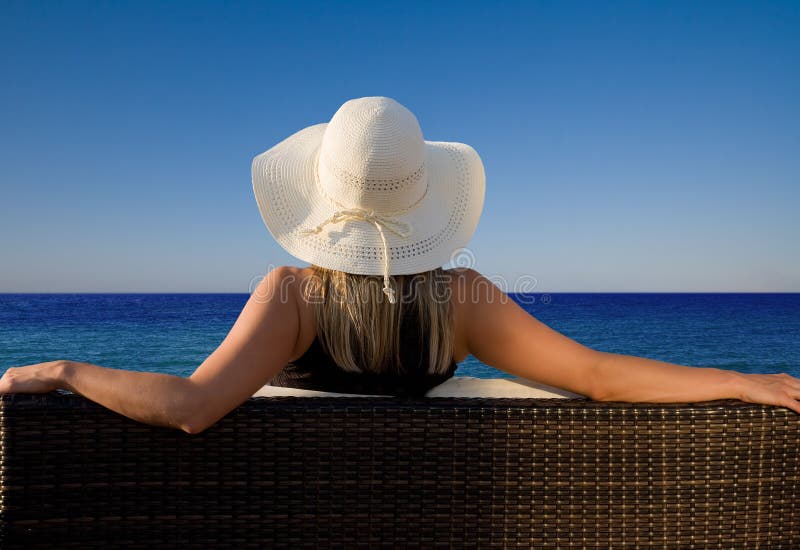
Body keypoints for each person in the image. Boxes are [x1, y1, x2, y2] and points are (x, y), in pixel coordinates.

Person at [2, 96, 798, 433]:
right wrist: (737, 380)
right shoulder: (464, 299)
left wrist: (71, 369)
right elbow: (593, 374)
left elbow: (193, 406)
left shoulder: (293, 295)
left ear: (321, 193)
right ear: (424, 198)